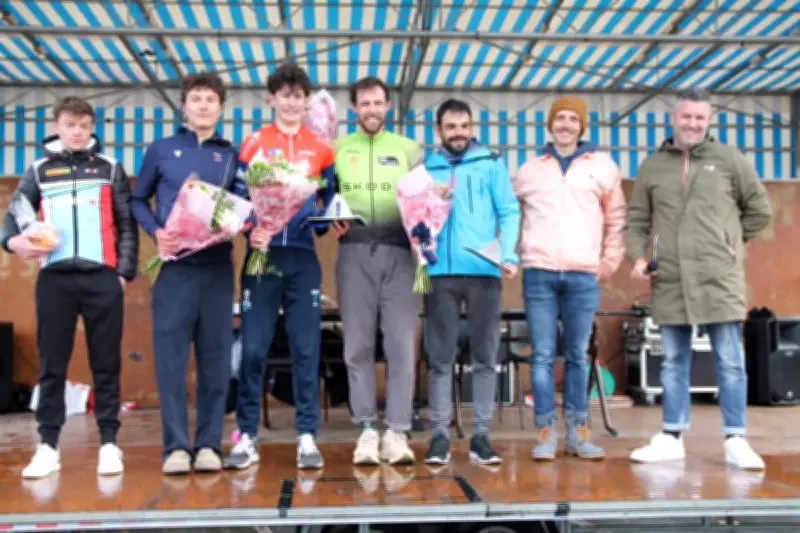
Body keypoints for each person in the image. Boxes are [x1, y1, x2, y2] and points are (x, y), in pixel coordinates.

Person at [626, 88, 772, 470]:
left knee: (730, 360)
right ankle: (672, 436)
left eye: (700, 118)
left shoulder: (729, 160)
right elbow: (638, 220)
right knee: (672, 360)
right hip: (670, 276)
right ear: (673, 118)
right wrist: (640, 256)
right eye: (687, 116)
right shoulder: (652, 166)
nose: (693, 123)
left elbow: (759, 210)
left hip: (718, 276)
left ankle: (736, 438)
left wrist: (728, 244)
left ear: (709, 121)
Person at [0, 96, 139, 479]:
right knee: (52, 365)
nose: (77, 131)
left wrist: (123, 273)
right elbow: (14, 218)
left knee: (106, 363)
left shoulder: (110, 168)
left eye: (83, 124)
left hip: (102, 279)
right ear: (57, 126)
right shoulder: (39, 170)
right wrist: (14, 243)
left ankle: (110, 444)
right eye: (70, 124)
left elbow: (127, 224)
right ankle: (47, 447)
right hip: (54, 280)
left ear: (92, 127)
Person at [131, 72, 246, 475]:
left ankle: (210, 445)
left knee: (215, 361)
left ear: (220, 107)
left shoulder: (231, 155)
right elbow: (136, 199)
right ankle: (176, 448)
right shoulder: (161, 150)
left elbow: (243, 206)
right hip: (174, 271)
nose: (202, 105)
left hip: (216, 270)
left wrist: (237, 222)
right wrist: (157, 232)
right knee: (171, 361)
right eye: (195, 98)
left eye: (210, 99)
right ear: (184, 106)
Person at [223, 63, 336, 471]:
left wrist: (327, 223)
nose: (291, 102)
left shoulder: (321, 148)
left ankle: (307, 437)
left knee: (307, 349)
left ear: (306, 102)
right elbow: (235, 200)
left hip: (303, 259)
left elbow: (328, 203)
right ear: (270, 99)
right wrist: (251, 228)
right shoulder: (252, 144)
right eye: (284, 95)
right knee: (253, 349)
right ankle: (246, 437)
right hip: (261, 257)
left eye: (298, 95)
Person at [513, 96, 626, 461]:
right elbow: (505, 213)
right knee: (543, 355)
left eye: (571, 119)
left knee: (578, 355)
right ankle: (546, 430)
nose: (565, 124)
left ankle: (579, 432)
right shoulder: (529, 170)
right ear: (550, 124)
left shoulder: (603, 167)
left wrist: (608, 261)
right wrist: (509, 254)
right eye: (558, 118)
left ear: (582, 126)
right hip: (539, 274)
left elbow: (616, 219)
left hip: (582, 276)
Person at [422, 99, 521, 466]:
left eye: (464, 125)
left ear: (471, 126)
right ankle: (439, 438)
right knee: (439, 359)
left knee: (484, 356)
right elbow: (414, 215)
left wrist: (508, 253)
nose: (459, 132)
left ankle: (481, 437)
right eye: (451, 127)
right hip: (439, 274)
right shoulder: (426, 168)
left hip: (484, 273)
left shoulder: (491, 163)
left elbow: (509, 210)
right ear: (439, 130)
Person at [331, 76, 423, 465]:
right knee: (357, 345)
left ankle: (398, 431)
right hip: (354, 251)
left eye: (378, 103)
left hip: (402, 251)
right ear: (354, 110)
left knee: (402, 344)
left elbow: (424, 199)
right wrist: (328, 218)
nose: (371, 110)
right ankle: (367, 429)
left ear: (388, 107)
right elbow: (323, 197)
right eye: (364, 104)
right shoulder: (336, 149)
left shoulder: (408, 149)